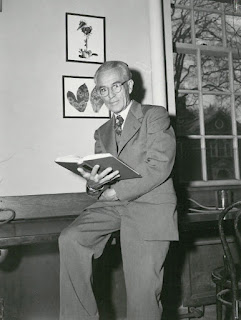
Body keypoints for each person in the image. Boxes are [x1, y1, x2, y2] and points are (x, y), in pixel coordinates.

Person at [58, 60, 178, 320]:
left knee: (142, 296)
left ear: (130, 85)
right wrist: (93, 183)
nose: (110, 95)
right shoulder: (101, 131)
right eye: (103, 89)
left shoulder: (154, 116)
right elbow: (103, 180)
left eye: (116, 86)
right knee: (70, 239)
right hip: (112, 205)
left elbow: (159, 166)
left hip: (150, 206)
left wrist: (117, 192)